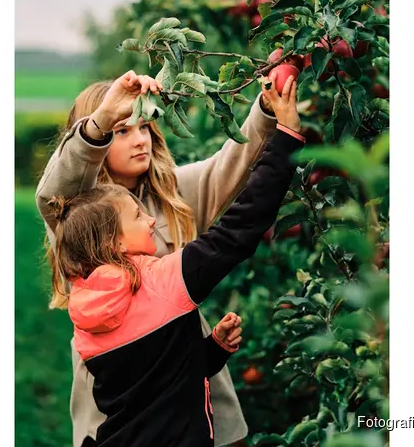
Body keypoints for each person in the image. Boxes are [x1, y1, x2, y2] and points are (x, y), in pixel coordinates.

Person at [36, 69, 293, 447]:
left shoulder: (174, 195)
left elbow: (231, 164)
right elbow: (53, 193)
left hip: (193, 374)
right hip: (119, 397)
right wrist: (101, 122)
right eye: (123, 131)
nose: (140, 140)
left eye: (144, 128)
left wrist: (267, 109)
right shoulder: (80, 217)